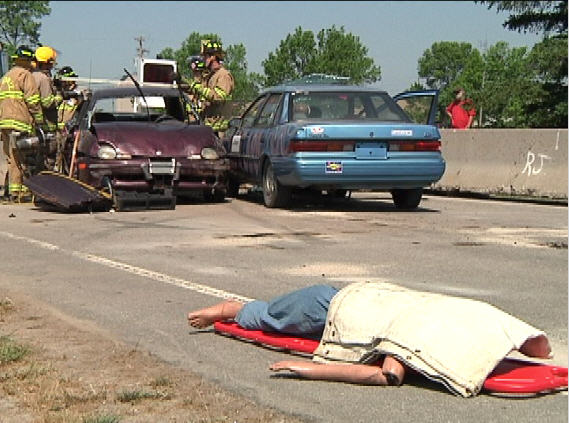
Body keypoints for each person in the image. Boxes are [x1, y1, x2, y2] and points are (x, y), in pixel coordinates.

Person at [187, 282, 552, 396]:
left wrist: (307, 369)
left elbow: (539, 346)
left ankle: (232, 310)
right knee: (268, 316)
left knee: (275, 313)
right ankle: (225, 310)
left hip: (360, 295)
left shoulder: (473, 312)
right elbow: (385, 375)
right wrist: (309, 368)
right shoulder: (415, 337)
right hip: (328, 308)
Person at [0, 45, 43, 201]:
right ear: (25, 61)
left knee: (11, 158)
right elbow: (33, 100)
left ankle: (9, 190)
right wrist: (39, 119)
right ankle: (18, 193)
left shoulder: (5, 77)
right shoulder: (25, 75)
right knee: (20, 158)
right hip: (19, 123)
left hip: (4, 123)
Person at [188, 41, 234, 137]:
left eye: (205, 56)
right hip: (209, 128)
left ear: (213, 57)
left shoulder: (223, 75)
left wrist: (200, 88)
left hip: (220, 131)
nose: (203, 59)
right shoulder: (211, 76)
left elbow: (218, 97)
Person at [32, 45, 62, 169]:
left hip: (34, 126)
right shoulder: (43, 79)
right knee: (48, 160)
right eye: (51, 63)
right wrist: (59, 97)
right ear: (46, 63)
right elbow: (47, 102)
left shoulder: (31, 76)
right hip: (47, 127)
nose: (52, 66)